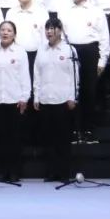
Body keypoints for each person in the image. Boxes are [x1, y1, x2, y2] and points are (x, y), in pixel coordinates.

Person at [58, 0, 110, 144]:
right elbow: (61, 36)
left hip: (90, 51)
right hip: (70, 52)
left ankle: (88, 130)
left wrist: (102, 61)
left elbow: (104, 38)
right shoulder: (64, 11)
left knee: (89, 91)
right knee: (71, 93)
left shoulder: (96, 11)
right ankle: (73, 130)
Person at [34, 17, 78, 182]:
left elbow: (74, 75)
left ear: (60, 30)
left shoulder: (69, 50)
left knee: (62, 139)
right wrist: (36, 96)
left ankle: (64, 172)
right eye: (47, 28)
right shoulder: (41, 49)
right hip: (45, 99)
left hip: (63, 100)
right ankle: (51, 172)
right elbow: (37, 74)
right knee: (48, 138)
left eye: (52, 28)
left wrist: (72, 97)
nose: (49, 32)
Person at [0, 20, 31, 181]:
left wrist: (25, 97)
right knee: (0, 138)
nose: (5, 32)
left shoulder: (20, 52)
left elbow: (25, 76)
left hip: (15, 100)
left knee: (14, 139)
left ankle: (14, 171)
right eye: (2, 30)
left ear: (14, 34)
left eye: (9, 30)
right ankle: (2, 171)